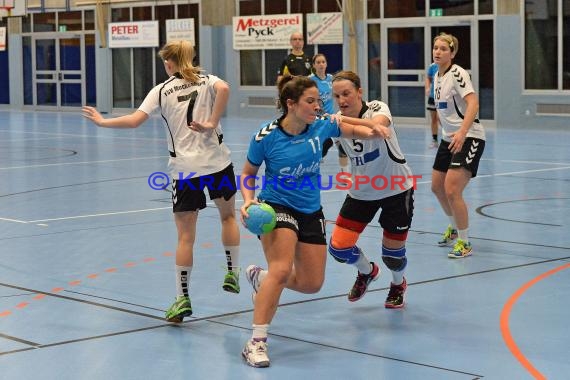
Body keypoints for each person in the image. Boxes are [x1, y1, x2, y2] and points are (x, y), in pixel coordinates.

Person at [82, 40, 241, 322]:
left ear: (169, 63)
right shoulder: (208, 80)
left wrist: (102, 122)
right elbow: (226, 89)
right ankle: (233, 271)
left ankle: (182, 299)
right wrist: (212, 122)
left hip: (185, 170)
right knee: (227, 218)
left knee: (185, 237)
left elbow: (134, 120)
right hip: (217, 163)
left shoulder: (162, 90)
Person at [240, 75, 388, 368]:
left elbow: (356, 129)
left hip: (310, 210)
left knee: (311, 284)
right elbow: (248, 172)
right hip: (275, 206)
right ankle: (256, 342)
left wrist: (376, 126)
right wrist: (247, 200)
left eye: (318, 101)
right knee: (282, 270)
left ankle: (260, 277)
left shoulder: (321, 126)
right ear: (290, 104)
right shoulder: (266, 136)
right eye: (310, 101)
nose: (317, 106)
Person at [327, 70, 415, 308]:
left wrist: (340, 121)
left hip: (396, 188)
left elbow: (376, 127)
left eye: (346, 93)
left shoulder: (377, 107)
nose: (342, 100)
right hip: (362, 192)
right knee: (338, 249)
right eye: (337, 96)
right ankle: (367, 271)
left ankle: (398, 283)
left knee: (393, 256)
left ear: (359, 92)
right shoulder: (335, 121)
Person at [431, 33, 486, 258]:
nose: (438, 51)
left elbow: (473, 102)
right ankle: (454, 228)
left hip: (469, 136)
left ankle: (465, 243)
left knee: (452, 189)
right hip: (448, 138)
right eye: (435, 47)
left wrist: (463, 132)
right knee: (437, 187)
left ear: (452, 53)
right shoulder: (436, 74)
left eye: (443, 48)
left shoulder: (457, 73)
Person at [309, 53, 350, 175]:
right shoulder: (310, 81)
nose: (321, 64)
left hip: (332, 119)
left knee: (342, 147)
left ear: (326, 64)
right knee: (322, 147)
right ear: (314, 65)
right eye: (318, 62)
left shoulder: (331, 79)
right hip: (318, 120)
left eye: (323, 62)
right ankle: (310, 169)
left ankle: (345, 175)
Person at [425, 61, 439, 148]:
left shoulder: (450, 66)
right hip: (432, 97)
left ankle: (450, 140)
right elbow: (428, 78)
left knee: (442, 119)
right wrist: (427, 88)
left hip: (444, 98)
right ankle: (435, 140)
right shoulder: (432, 66)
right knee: (434, 119)